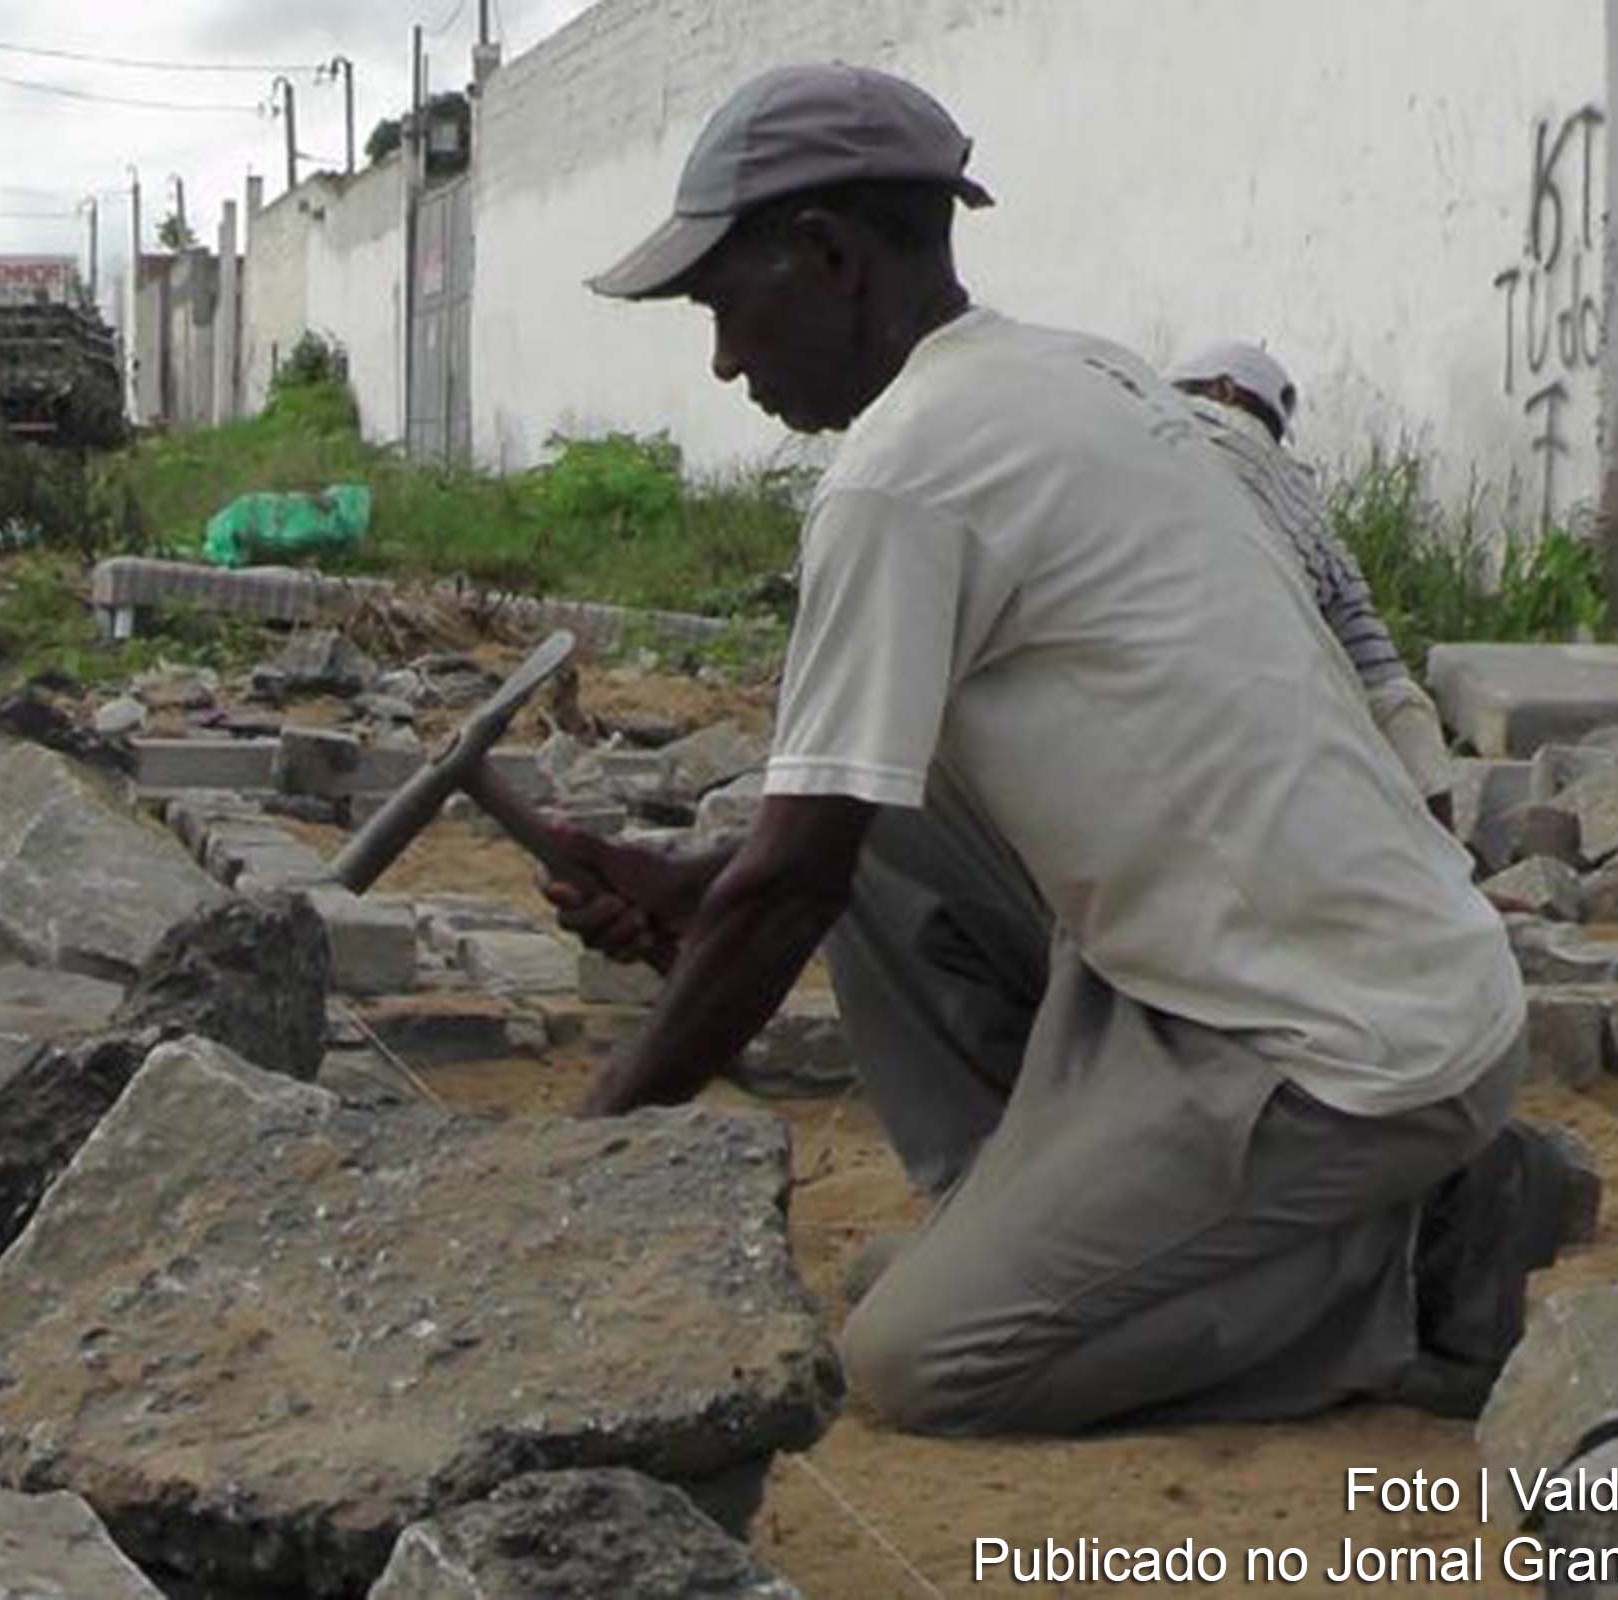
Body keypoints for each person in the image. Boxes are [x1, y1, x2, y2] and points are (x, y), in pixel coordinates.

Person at [542, 63, 1561, 1436]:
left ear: (832, 258)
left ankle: (1414, 1270)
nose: (725, 360)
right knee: (876, 813)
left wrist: (569, 1177)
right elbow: (825, 842)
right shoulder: (1075, 372)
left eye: (727, 305)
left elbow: (793, 893)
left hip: (1343, 1057)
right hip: (1377, 972)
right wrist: (703, 880)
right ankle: (1030, 1228)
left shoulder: (899, 478)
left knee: (916, 1362)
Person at [1167, 340, 1457, 825]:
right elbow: (1388, 684)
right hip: (1279, 723)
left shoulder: (1168, 426)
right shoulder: (1307, 507)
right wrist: (1449, 853)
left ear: (1223, 390)